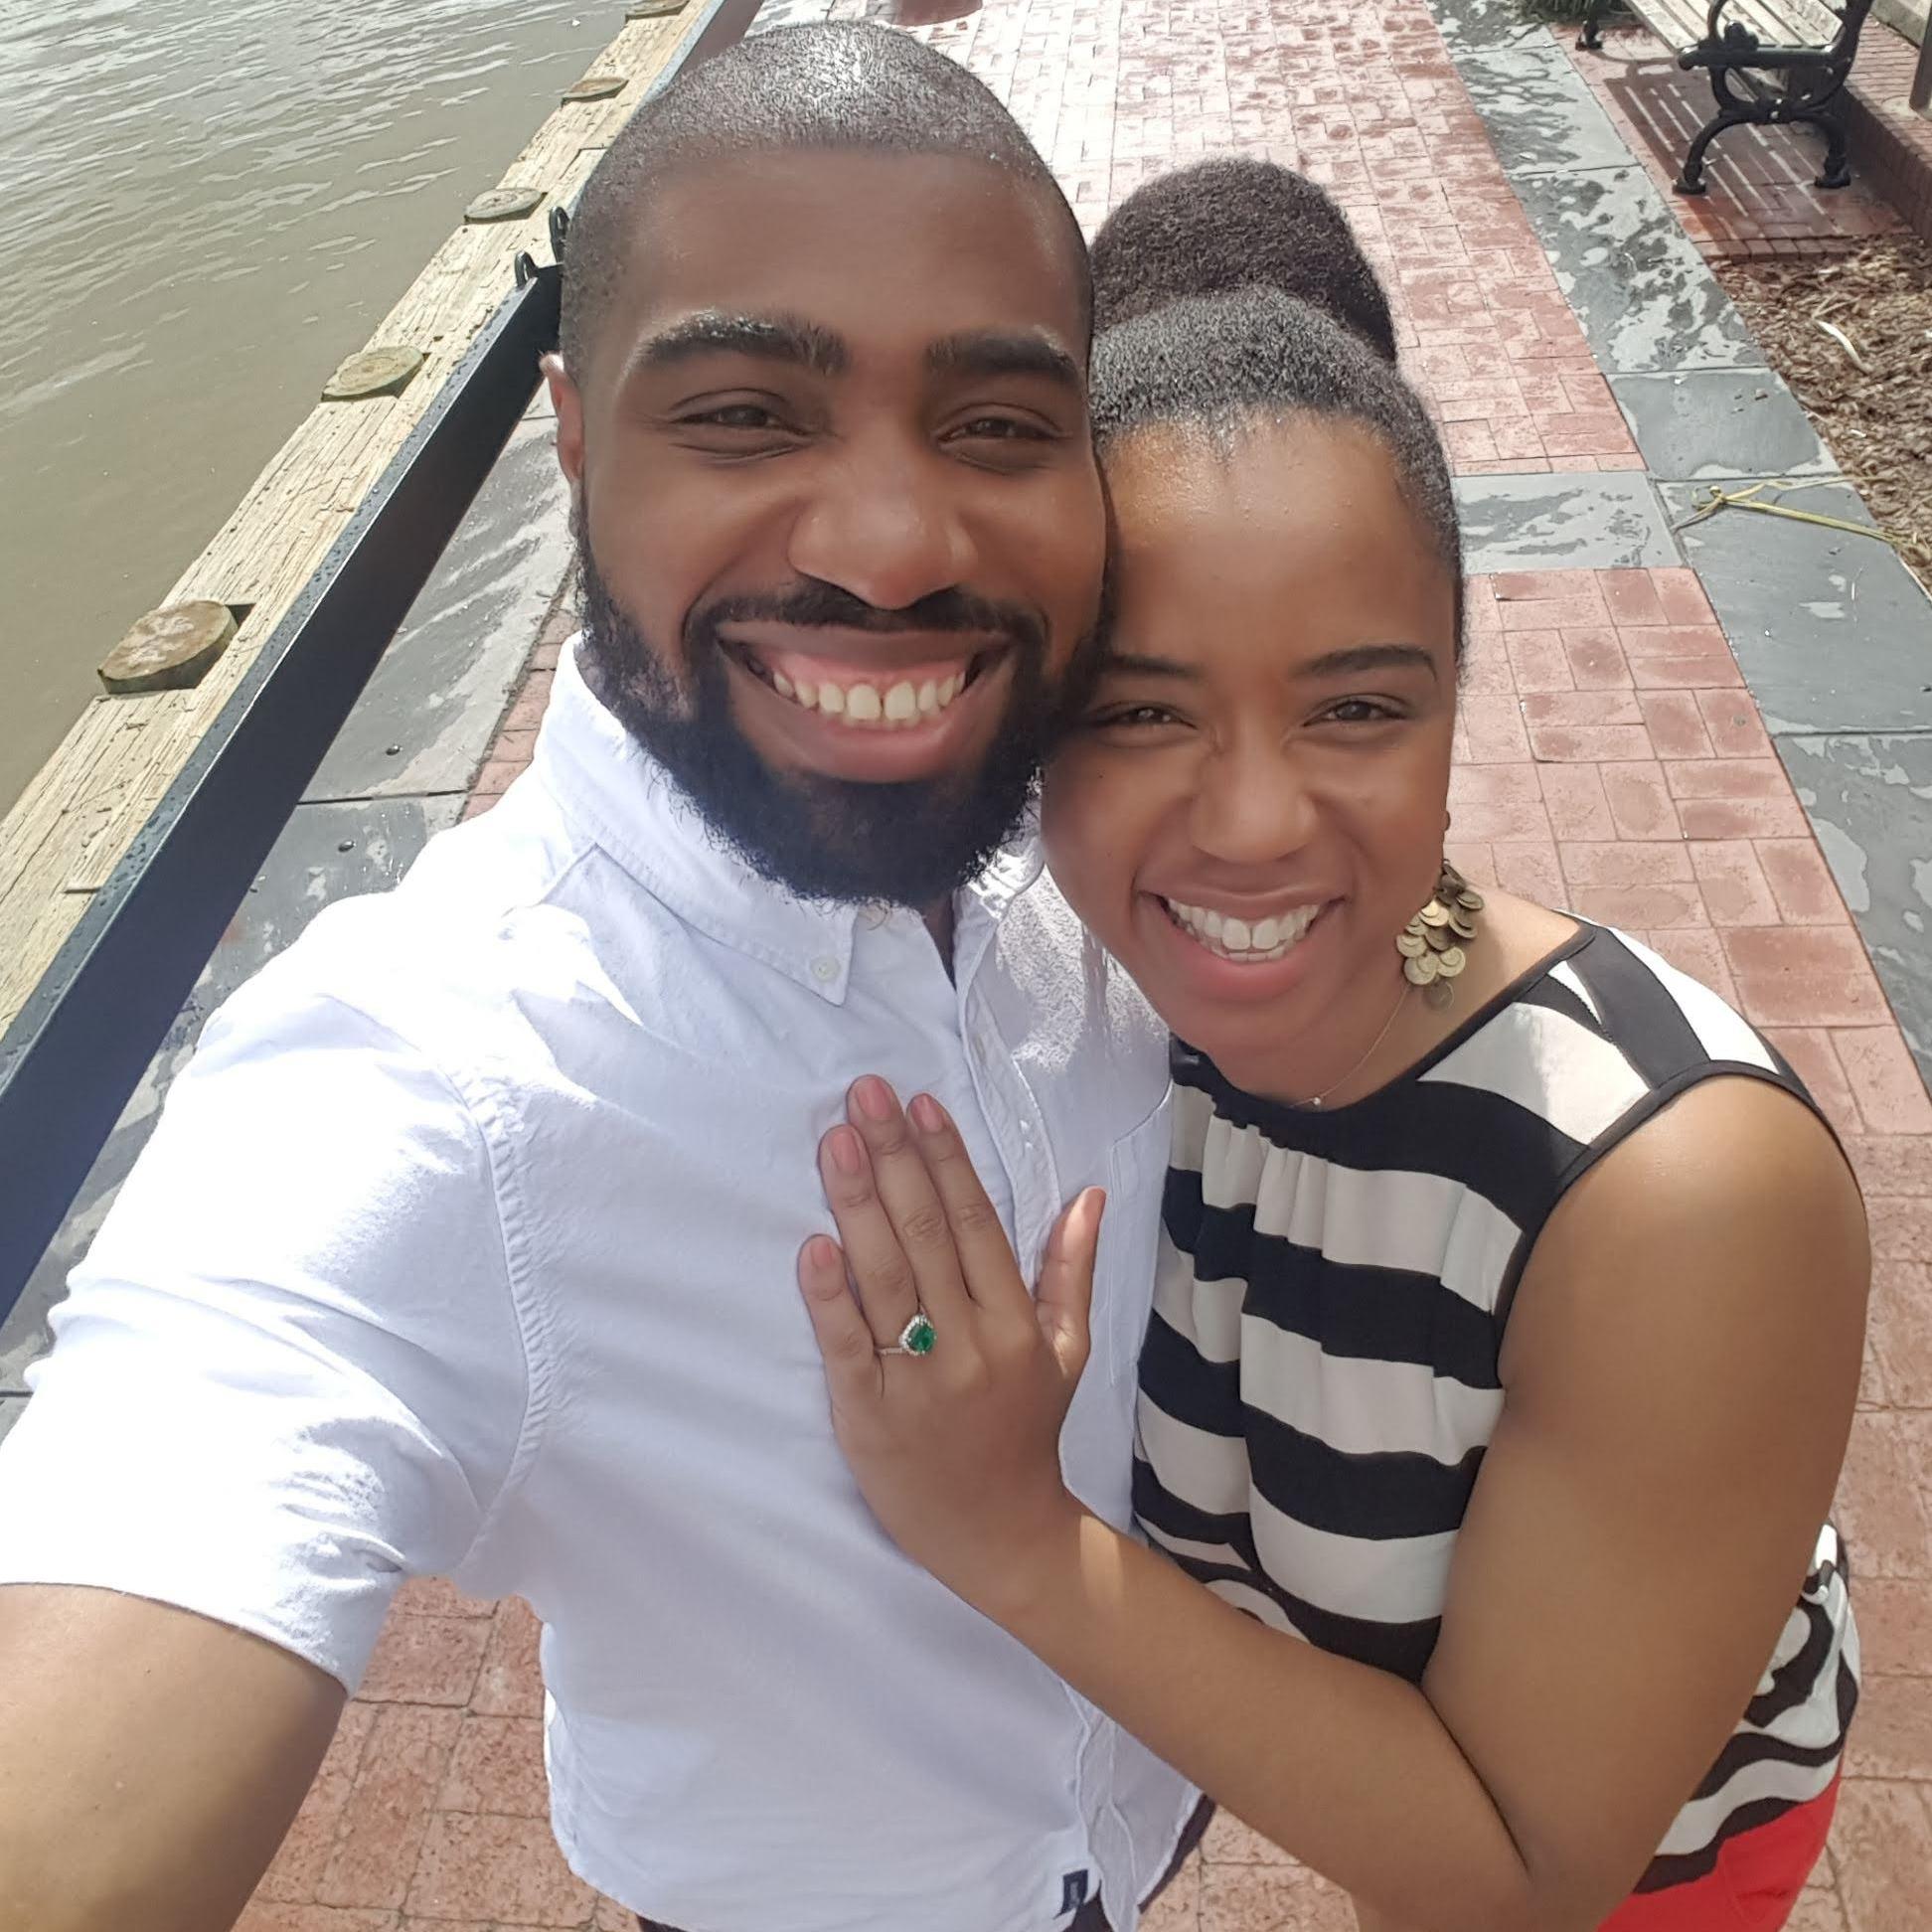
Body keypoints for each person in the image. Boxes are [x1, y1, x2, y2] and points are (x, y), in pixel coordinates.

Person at [0, 27, 1205, 1932]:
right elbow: (176, 1486)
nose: (893, 549)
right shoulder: (432, 1076)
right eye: (744, 415)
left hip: (1148, 1830)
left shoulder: (1110, 842)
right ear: (572, 440)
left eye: (994, 427)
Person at [794, 164, 1867, 1932]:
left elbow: (1520, 1870)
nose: (1254, 823)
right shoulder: (1099, 1016)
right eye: (1139, 710)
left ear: (1459, 692)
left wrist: (1007, 1539)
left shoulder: (1669, 1197)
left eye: (1358, 706)